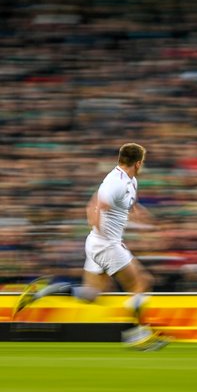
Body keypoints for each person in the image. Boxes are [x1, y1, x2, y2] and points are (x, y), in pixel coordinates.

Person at [13, 143, 167, 350]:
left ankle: (44, 291)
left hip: (99, 243)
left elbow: (127, 204)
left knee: (90, 295)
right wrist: (97, 224)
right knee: (142, 282)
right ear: (138, 163)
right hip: (107, 244)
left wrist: (144, 217)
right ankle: (135, 335)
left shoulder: (130, 181)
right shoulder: (115, 181)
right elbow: (94, 205)